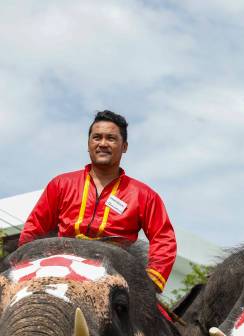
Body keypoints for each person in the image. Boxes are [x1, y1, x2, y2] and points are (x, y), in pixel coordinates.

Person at [19, 110, 176, 293]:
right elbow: (34, 229)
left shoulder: (144, 195)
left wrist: (149, 282)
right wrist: (25, 268)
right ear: (88, 144)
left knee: (158, 320)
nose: (102, 144)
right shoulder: (60, 184)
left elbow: (164, 239)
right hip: (60, 268)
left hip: (117, 274)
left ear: (124, 146)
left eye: (111, 138)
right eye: (96, 138)